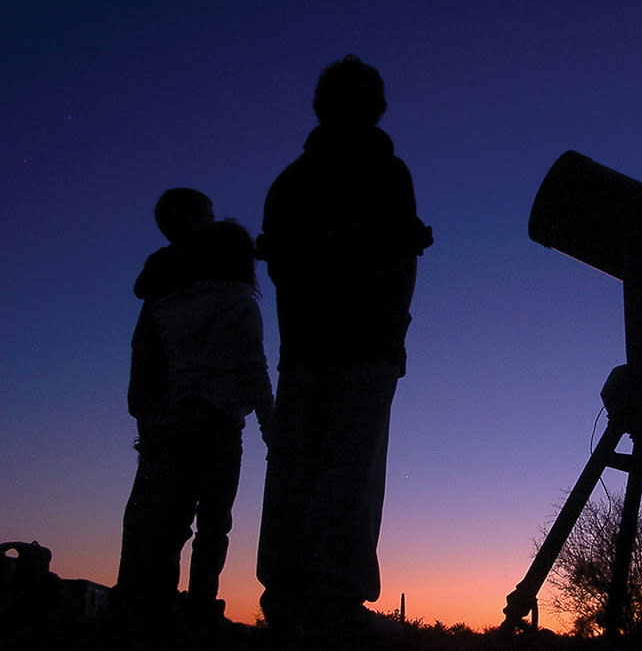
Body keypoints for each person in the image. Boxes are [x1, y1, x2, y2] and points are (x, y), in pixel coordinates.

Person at [255, 55, 432, 641]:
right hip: (362, 348)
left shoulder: (289, 182)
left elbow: (281, 266)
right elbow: (397, 264)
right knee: (350, 474)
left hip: (303, 350)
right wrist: (392, 334)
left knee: (295, 474)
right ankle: (333, 601)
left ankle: (287, 598)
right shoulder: (386, 174)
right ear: (376, 107)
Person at [115, 192, 273, 629]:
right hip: (220, 423)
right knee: (213, 524)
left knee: (169, 521)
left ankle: (155, 606)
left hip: (175, 418)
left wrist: (152, 416)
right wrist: (271, 429)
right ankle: (200, 606)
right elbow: (255, 370)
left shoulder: (168, 306)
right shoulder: (239, 305)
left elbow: (161, 363)